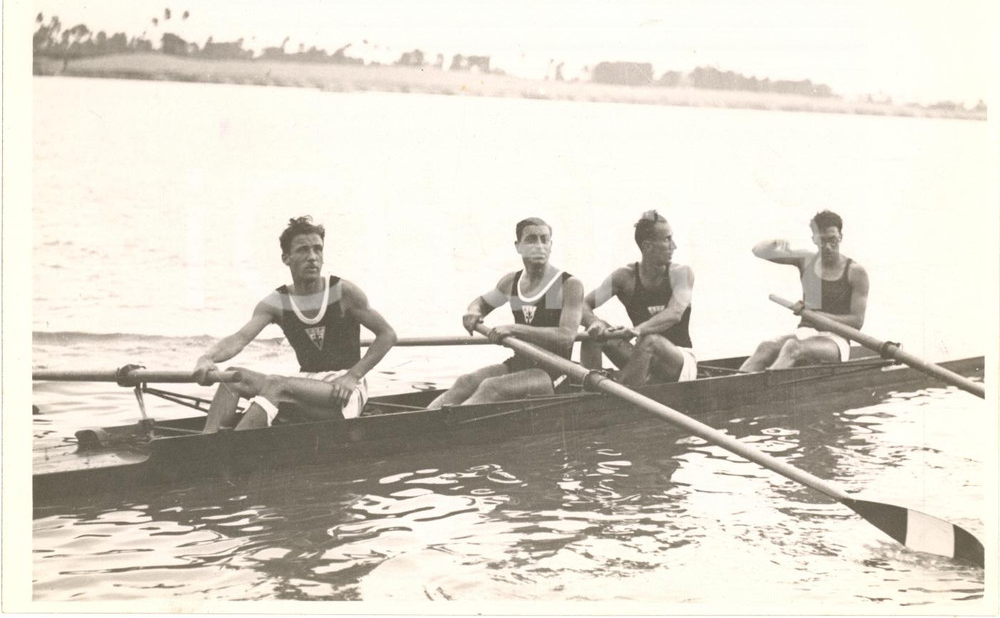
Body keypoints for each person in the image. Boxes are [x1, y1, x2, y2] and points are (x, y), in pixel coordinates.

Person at [193, 216, 397, 431]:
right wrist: (207, 358)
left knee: (276, 384)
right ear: (286, 258)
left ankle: (232, 445)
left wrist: (353, 376)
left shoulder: (343, 292)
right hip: (304, 385)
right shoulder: (276, 302)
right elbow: (239, 339)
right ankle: (207, 441)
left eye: (318, 249)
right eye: (303, 250)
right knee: (233, 378)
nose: (312, 257)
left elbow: (387, 335)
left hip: (343, 390)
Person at [427, 217, 585, 408]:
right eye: (531, 239)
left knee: (492, 387)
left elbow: (566, 336)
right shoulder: (511, 282)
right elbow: (480, 304)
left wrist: (514, 329)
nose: (539, 245)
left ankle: (446, 424)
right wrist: (473, 312)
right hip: (519, 364)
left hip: (555, 371)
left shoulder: (568, 284)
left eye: (544, 239)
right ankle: (426, 420)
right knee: (465, 382)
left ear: (551, 245)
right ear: (518, 246)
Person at [739, 210, 869, 372]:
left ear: (840, 237)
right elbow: (758, 251)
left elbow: (857, 322)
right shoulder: (807, 261)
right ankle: (735, 382)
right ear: (814, 239)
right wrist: (774, 243)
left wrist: (815, 315)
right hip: (805, 333)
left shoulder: (855, 272)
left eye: (832, 240)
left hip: (836, 340)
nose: (828, 247)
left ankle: (764, 384)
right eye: (822, 241)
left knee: (792, 347)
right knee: (766, 346)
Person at [580, 210, 697, 386]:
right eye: (667, 239)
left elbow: (674, 314)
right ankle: (591, 390)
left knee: (650, 341)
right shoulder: (624, 277)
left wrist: (638, 330)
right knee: (593, 333)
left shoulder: (681, 274)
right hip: (642, 354)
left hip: (680, 361)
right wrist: (594, 323)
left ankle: (618, 389)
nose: (674, 246)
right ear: (648, 246)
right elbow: (581, 304)